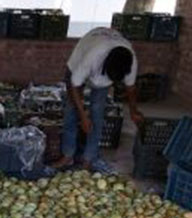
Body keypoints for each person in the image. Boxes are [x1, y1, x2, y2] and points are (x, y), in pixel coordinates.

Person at [56, 27, 145, 172]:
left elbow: (131, 88)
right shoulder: (92, 56)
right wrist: (83, 116)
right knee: (71, 111)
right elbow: (75, 85)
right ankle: (67, 155)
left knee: (97, 114)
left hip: (100, 78)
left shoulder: (130, 62)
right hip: (78, 65)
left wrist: (133, 110)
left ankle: (88, 160)